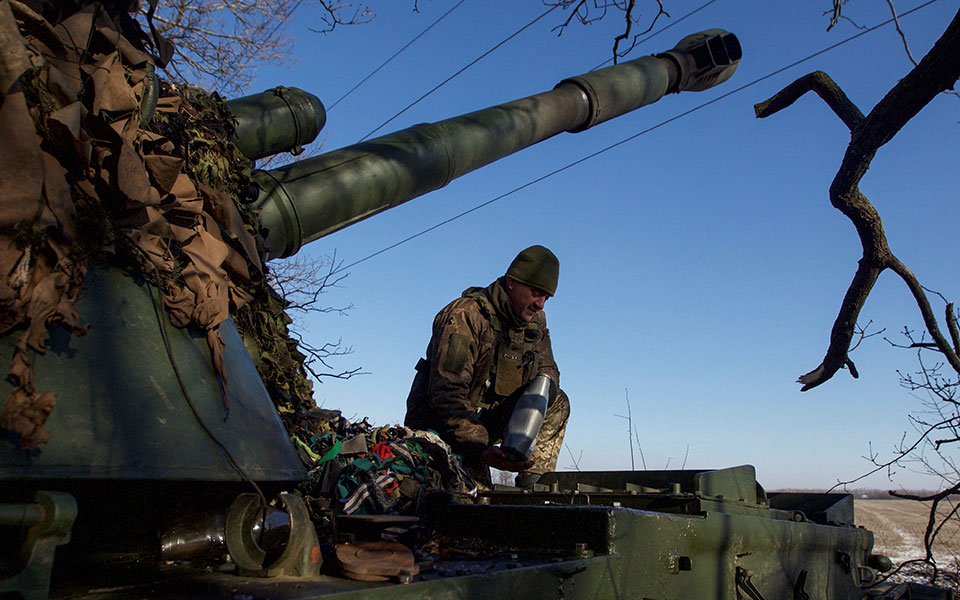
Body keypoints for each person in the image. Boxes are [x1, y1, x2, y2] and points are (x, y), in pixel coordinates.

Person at [404, 245, 570, 488]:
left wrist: (521, 434)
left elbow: (549, 372)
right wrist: (480, 448)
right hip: (443, 429)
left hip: (486, 424)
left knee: (556, 400)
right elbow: (447, 396)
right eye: (536, 292)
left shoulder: (535, 324)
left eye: (547, 297)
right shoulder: (465, 317)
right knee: (470, 505)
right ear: (512, 283)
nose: (541, 304)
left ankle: (533, 488)